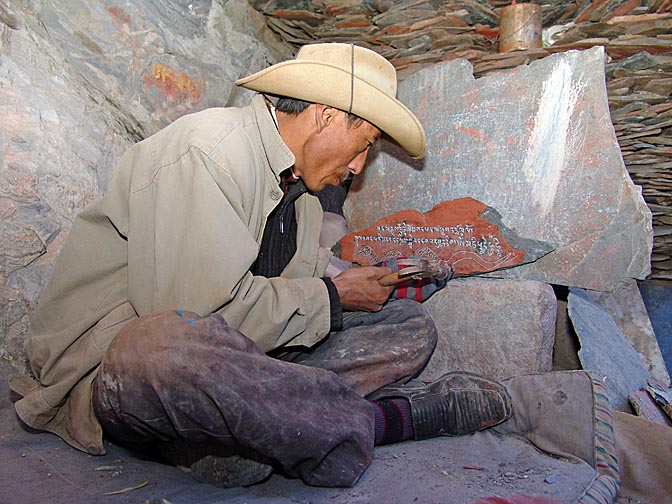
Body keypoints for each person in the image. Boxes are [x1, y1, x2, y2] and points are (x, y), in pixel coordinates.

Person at [10, 43, 512, 488]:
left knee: (407, 327)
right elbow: (195, 315)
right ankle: (383, 422)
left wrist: (356, 284)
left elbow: (290, 288)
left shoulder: (301, 196)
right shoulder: (208, 152)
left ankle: (241, 433)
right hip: (117, 369)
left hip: (228, 360)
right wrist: (332, 298)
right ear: (325, 116)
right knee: (163, 348)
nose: (359, 167)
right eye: (364, 146)